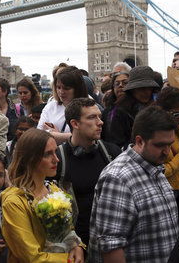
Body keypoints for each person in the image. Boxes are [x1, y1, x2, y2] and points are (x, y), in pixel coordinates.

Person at [89, 106, 179, 263]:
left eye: (170, 144)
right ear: (139, 141)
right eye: (160, 145)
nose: (167, 151)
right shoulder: (118, 178)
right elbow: (111, 246)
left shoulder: (154, 166)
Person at [1, 128, 84, 262]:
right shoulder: (14, 202)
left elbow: (69, 231)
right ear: (30, 158)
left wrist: (78, 247)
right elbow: (31, 256)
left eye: (55, 152)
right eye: (48, 154)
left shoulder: (54, 189)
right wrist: (69, 260)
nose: (56, 159)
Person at [54, 98, 121, 246]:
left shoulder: (111, 153)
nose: (100, 122)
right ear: (75, 124)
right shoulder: (58, 159)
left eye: (99, 116)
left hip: (109, 240)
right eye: (92, 117)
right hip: (74, 243)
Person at [101, 65, 159, 149]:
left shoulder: (157, 110)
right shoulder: (121, 112)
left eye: (149, 88)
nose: (146, 92)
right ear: (132, 89)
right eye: (141, 88)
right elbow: (117, 144)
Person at [38, 66, 88, 144]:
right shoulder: (50, 107)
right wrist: (65, 136)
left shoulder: (88, 108)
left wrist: (56, 135)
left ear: (77, 88)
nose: (61, 92)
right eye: (58, 87)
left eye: (66, 88)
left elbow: (86, 136)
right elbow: (39, 134)